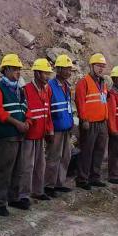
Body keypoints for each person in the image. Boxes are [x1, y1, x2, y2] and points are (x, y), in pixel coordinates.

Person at [0, 53, 29, 216]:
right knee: (3, 170)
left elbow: (26, 108)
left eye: (19, 69)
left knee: (18, 169)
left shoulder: (20, 90)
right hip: (6, 136)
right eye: (14, 69)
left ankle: (14, 197)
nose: (18, 72)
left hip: (19, 136)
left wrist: (27, 122)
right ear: (5, 70)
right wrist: (17, 123)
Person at [20, 58, 54, 202]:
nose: (48, 76)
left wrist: (49, 130)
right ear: (37, 73)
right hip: (29, 134)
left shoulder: (47, 89)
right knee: (27, 166)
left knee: (40, 165)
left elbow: (48, 112)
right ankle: (23, 194)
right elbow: (24, 111)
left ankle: (38, 191)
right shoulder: (26, 89)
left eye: (48, 73)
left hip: (41, 133)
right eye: (45, 73)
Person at [74, 53, 109, 190]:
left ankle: (95, 177)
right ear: (91, 66)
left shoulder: (102, 82)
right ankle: (82, 179)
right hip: (89, 123)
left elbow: (104, 101)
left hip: (102, 122)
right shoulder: (84, 82)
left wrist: (106, 118)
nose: (101, 68)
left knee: (99, 151)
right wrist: (84, 119)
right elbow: (80, 102)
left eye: (103, 66)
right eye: (98, 65)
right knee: (87, 151)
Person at [45, 54, 75, 197]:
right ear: (59, 69)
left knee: (65, 156)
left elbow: (68, 106)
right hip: (56, 129)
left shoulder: (66, 87)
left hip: (66, 128)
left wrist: (71, 123)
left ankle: (59, 183)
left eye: (70, 69)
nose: (69, 72)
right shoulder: (50, 86)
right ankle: (48, 185)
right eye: (66, 69)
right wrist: (49, 129)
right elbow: (47, 110)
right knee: (53, 157)